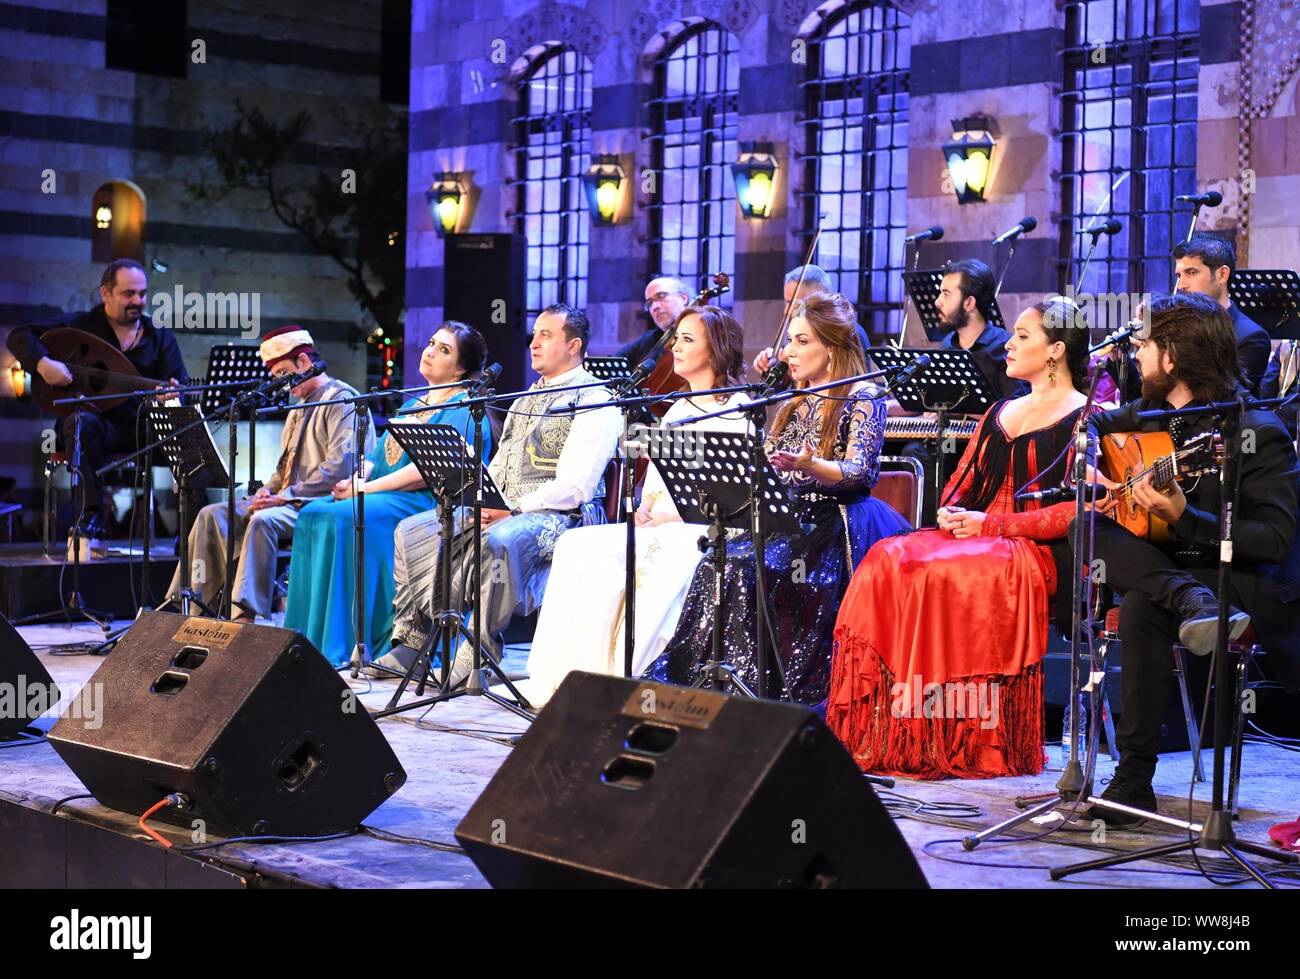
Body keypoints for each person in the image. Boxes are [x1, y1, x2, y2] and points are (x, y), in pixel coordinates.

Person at [827, 296, 1095, 779]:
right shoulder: (1002, 409)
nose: (1009, 344)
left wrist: (992, 525)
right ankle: (892, 730)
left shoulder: (1088, 416)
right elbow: (960, 485)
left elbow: (1083, 507)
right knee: (888, 556)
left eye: (1022, 336)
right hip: (976, 534)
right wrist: (952, 511)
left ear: (1055, 351)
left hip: (1036, 550)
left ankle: (961, 737)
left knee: (939, 570)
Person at [1073, 292, 1299, 827]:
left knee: (1143, 605)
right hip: (1178, 572)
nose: (1137, 357)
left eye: (1145, 346)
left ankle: (1132, 777)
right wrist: (1095, 471)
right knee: (1082, 522)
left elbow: (1274, 541)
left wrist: (1183, 516)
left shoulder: (1259, 430)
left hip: (1241, 578)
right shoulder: (1154, 418)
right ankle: (1134, 779)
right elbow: (1092, 428)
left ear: (1172, 357)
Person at [646, 292, 909, 705]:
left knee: (748, 570)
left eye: (802, 341)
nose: (789, 351)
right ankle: (704, 680)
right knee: (718, 563)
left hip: (836, 521)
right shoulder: (793, 398)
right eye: (790, 341)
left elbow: (860, 470)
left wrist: (811, 465)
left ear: (833, 346)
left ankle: (765, 687)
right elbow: (771, 460)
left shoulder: (864, 396)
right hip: (789, 515)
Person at [523, 305, 751, 707]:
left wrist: (669, 515)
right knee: (577, 547)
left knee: (656, 559)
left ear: (715, 350)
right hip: (659, 520)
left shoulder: (736, 410)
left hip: (702, 529)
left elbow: (728, 493)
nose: (674, 348)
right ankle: (569, 676)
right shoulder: (678, 408)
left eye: (687, 339)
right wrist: (646, 505)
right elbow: (659, 477)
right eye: (676, 338)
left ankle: (629, 677)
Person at [386, 303, 621, 683]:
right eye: (534, 335)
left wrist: (511, 509)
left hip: (563, 516)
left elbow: (576, 486)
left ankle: (480, 646)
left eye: (546, 335)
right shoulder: (526, 398)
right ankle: (414, 638)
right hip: (503, 507)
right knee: (414, 530)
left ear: (574, 345)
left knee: (499, 540)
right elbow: (500, 464)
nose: (534, 343)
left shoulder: (595, 399)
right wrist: (485, 499)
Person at [283, 322, 492, 667]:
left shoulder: (465, 407)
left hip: (426, 502)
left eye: (444, 349)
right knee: (312, 513)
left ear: (461, 368)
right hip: (384, 494)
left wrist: (364, 489)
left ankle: (351, 639)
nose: (429, 351)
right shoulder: (414, 403)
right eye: (431, 342)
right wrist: (355, 479)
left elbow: (420, 473)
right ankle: (307, 637)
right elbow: (378, 457)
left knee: (346, 516)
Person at [166, 326, 373, 620]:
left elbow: (340, 468)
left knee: (263, 519)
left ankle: (245, 615)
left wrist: (282, 497)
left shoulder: (342, 401)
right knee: (211, 514)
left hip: (322, 503)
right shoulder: (297, 410)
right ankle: (192, 609)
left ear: (303, 362)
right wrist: (268, 491)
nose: (280, 384)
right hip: (288, 499)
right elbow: (284, 468)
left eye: (282, 374)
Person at [6, 259, 187, 536]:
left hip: (141, 428)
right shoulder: (81, 325)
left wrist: (172, 399)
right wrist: (43, 364)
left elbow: (179, 387)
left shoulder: (159, 337)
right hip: (99, 427)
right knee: (80, 423)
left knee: (190, 434)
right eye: (128, 294)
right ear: (106, 293)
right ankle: (90, 517)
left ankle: (191, 531)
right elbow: (19, 336)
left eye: (142, 293)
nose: (138, 301)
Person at [751, 265, 870, 375]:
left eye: (795, 303)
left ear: (821, 297)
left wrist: (793, 370)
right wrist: (775, 365)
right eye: (787, 302)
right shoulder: (798, 328)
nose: (787, 310)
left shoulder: (850, 332)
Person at [617, 276, 691, 368]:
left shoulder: (701, 335)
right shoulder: (649, 339)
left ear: (683, 298)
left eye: (661, 296)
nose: (655, 307)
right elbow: (614, 363)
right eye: (650, 303)